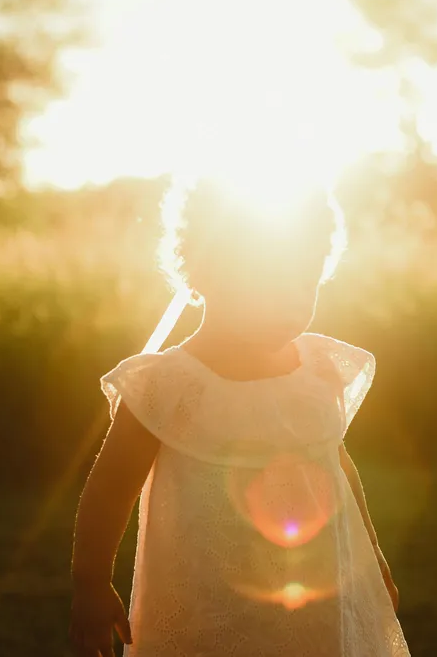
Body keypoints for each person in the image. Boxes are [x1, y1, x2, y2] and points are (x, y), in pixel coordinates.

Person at [68, 176, 409, 656]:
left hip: (318, 604)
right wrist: (90, 584)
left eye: (305, 280)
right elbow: (109, 488)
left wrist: (372, 559)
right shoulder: (167, 386)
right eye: (267, 282)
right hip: (207, 609)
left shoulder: (319, 370)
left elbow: (338, 469)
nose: (289, 299)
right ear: (204, 274)